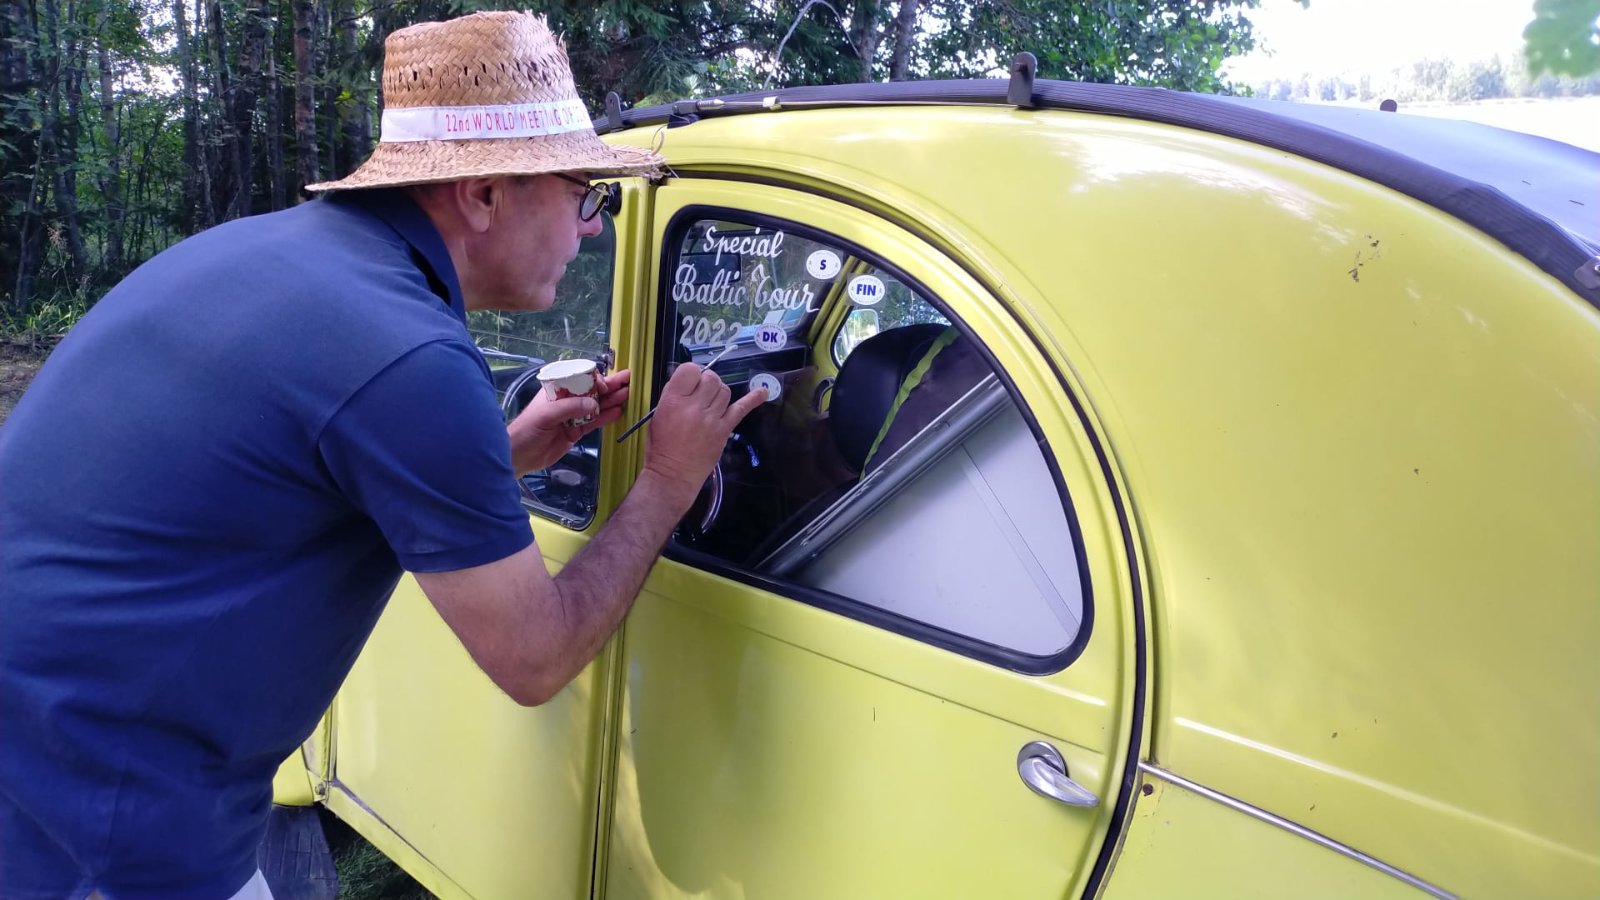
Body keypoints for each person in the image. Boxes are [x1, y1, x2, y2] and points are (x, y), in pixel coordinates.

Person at [0, 12, 764, 899]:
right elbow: (535, 658)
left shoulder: (278, 257)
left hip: (47, 738)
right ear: (485, 194)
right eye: (585, 194)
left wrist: (502, 455)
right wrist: (668, 479)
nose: (591, 228)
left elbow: (282, 477)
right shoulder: (408, 354)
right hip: (99, 810)